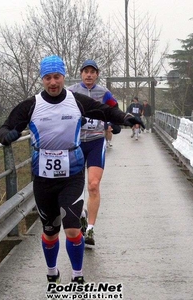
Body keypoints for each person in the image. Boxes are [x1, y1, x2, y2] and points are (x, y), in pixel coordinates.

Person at [0, 55, 143, 285]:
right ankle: (52, 271)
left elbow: (105, 111)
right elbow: (5, 127)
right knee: (50, 231)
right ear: (42, 79)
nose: (53, 82)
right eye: (48, 78)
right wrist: (7, 135)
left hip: (72, 175)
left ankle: (77, 275)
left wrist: (127, 118)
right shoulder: (31, 105)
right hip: (43, 178)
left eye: (57, 77)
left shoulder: (77, 101)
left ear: (64, 77)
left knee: (73, 230)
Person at [67, 59, 121, 249]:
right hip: (76, 143)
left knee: (93, 185)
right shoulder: (72, 92)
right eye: (86, 72)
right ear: (81, 74)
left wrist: (115, 123)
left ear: (97, 74)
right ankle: (81, 215)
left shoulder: (103, 93)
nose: (89, 75)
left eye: (93, 72)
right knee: (74, 187)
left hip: (97, 142)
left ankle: (90, 228)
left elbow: (115, 109)